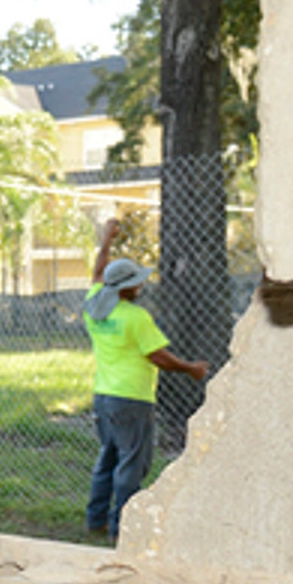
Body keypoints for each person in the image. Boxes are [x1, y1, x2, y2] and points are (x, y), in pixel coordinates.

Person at [83, 218, 208, 538]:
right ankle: (121, 525)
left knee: (107, 458)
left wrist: (107, 241)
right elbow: (158, 357)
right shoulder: (136, 317)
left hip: (104, 395)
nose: (141, 286)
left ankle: (96, 519)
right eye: (137, 282)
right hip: (132, 398)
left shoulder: (94, 306)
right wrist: (190, 368)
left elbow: (99, 273)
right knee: (131, 463)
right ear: (126, 288)